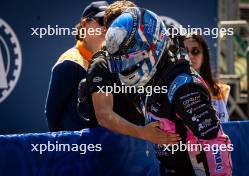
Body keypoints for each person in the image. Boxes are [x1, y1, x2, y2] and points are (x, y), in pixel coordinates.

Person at [104, 7, 233, 175]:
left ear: (153, 46)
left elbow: (215, 142)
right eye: (122, 64)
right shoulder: (157, 78)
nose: (127, 69)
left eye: (131, 61)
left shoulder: (183, 86)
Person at [84, 0, 181, 145]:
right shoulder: (101, 64)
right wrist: (143, 133)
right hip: (112, 154)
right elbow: (104, 115)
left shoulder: (150, 56)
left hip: (145, 152)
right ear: (109, 30)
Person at [45, 1, 108, 131]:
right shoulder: (70, 63)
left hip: (103, 147)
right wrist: (68, 148)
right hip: (77, 148)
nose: (106, 27)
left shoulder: (108, 61)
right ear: (85, 24)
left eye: (110, 22)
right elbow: (52, 115)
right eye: (102, 21)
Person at [183, 33, 230, 123]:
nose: (189, 56)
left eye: (195, 51)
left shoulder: (220, 90)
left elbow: (225, 126)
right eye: (185, 52)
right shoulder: (169, 89)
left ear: (204, 56)